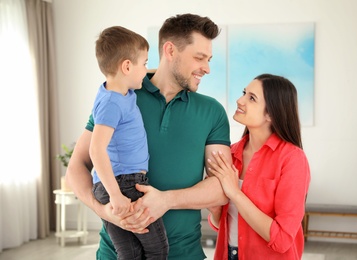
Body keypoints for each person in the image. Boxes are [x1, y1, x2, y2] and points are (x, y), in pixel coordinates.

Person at [65, 13, 232, 260]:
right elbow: (77, 165)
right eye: (199, 58)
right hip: (115, 253)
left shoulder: (212, 111)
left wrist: (166, 200)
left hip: (184, 254)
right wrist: (103, 209)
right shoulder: (121, 95)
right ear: (170, 50)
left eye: (208, 59)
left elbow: (221, 188)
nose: (206, 68)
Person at [207, 74, 311, 259]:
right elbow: (220, 223)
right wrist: (215, 209)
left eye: (252, 98)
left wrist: (235, 193)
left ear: (271, 113)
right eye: (244, 93)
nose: (240, 100)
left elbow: (282, 239)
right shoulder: (229, 154)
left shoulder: (292, 159)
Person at [89, 26, 168, 259]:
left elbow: (141, 73)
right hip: (123, 184)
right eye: (144, 64)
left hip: (116, 184)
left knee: (130, 253)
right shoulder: (112, 104)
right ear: (126, 67)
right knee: (157, 249)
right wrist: (115, 195)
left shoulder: (120, 90)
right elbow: (96, 149)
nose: (146, 70)